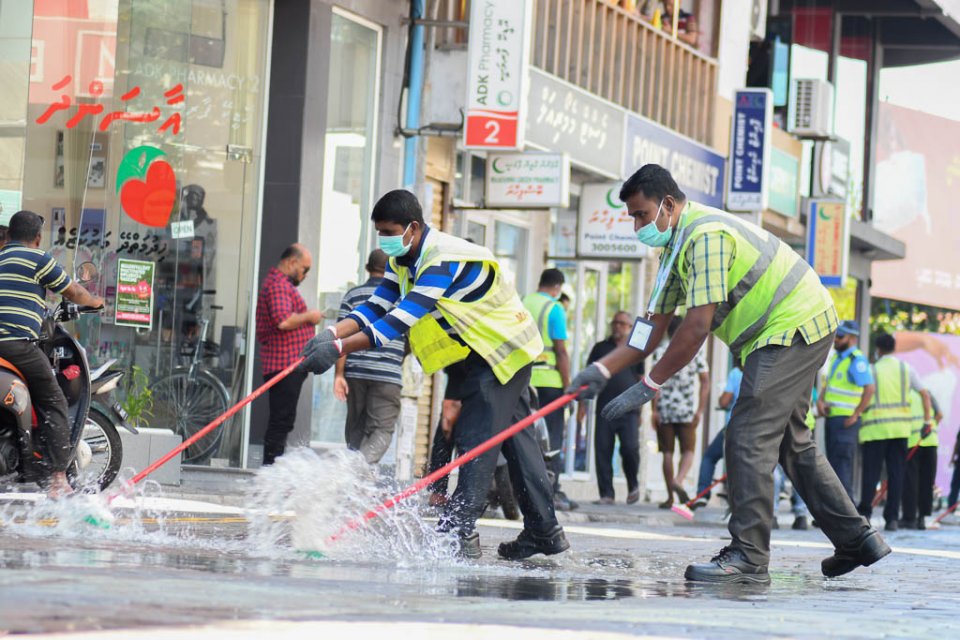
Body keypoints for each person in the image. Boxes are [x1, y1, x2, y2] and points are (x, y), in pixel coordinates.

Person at [568, 164, 890, 584]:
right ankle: (857, 539)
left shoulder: (705, 237)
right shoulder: (673, 250)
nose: (637, 226)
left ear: (667, 204)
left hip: (793, 326)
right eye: (632, 217)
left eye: (641, 215)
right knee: (792, 444)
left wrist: (650, 384)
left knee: (748, 435)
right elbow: (649, 331)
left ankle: (749, 557)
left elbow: (696, 327)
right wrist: (599, 369)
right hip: (780, 334)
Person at [299, 189, 566, 560]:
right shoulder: (403, 259)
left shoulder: (440, 261)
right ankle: (545, 531)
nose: (385, 240)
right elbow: (376, 306)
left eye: (390, 231)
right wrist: (329, 334)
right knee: (518, 443)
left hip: (501, 353)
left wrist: (339, 350)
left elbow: (396, 321)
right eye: (380, 233)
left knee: (476, 438)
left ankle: (459, 529)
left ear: (413, 227)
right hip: (477, 354)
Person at [0, 210, 104, 497]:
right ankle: (58, 478)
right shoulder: (38, 259)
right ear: (37, 237)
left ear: (8, 235)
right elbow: (73, 291)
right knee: (54, 399)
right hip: (17, 344)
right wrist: (95, 301)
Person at [334, 249, 406, 464]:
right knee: (382, 429)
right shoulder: (403, 299)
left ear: (367, 268)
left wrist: (339, 374)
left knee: (356, 428)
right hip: (388, 375)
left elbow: (340, 336)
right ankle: (358, 472)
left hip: (355, 371)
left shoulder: (353, 296)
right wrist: (396, 358)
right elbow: (412, 339)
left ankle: (356, 482)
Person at [255, 243, 322, 466]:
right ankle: (271, 470)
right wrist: (309, 316)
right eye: (304, 269)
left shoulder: (279, 285)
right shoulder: (278, 285)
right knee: (281, 421)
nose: (304, 275)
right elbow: (283, 320)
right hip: (283, 365)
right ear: (291, 262)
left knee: (283, 420)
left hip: (287, 365)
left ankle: (272, 467)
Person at [857, 332, 932, 531]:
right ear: (893, 348)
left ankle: (865, 514)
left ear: (878, 349)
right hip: (900, 431)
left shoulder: (872, 370)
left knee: (871, 474)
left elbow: (864, 396)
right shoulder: (906, 369)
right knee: (897, 474)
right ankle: (892, 519)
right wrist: (927, 421)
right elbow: (925, 394)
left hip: (875, 429)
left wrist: (856, 414)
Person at [522, 269, 575, 510]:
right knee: (552, 440)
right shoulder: (555, 308)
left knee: (525, 436)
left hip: (523, 380)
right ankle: (551, 491)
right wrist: (569, 387)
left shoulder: (522, 302)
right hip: (550, 383)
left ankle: (522, 488)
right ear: (558, 287)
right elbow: (561, 351)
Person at [580, 311, 644, 505]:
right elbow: (588, 376)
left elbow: (641, 379)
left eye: (623, 324)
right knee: (603, 450)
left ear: (630, 328)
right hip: (605, 409)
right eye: (615, 323)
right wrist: (582, 406)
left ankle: (633, 485)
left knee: (630, 448)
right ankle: (606, 494)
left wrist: (643, 409)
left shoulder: (635, 349)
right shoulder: (600, 348)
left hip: (629, 410)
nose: (618, 326)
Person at [650, 316, 709, 508]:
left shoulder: (660, 352)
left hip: (665, 409)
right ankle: (679, 480)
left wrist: (654, 410)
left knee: (667, 452)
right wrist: (700, 410)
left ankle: (669, 497)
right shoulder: (694, 351)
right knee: (689, 450)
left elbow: (654, 384)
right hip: (687, 410)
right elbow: (705, 381)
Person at [817, 321, 876, 499]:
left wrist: (856, 414)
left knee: (842, 467)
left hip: (845, 422)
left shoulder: (856, 360)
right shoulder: (837, 358)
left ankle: (846, 515)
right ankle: (834, 513)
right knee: (833, 467)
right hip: (833, 418)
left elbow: (869, 388)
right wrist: (820, 401)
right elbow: (830, 385)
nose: (835, 339)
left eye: (840, 336)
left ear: (852, 338)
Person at [691, 365, 741, 509]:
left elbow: (724, 402)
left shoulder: (736, 373)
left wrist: (723, 396)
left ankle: (702, 494)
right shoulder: (767, 371)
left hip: (735, 426)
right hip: (760, 428)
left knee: (709, 457)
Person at [899, 390, 942, 530]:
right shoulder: (928, 393)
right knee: (926, 482)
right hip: (930, 441)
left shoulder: (905, 394)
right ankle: (922, 518)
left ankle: (909, 518)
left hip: (912, 442)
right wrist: (931, 426)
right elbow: (940, 414)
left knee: (911, 482)